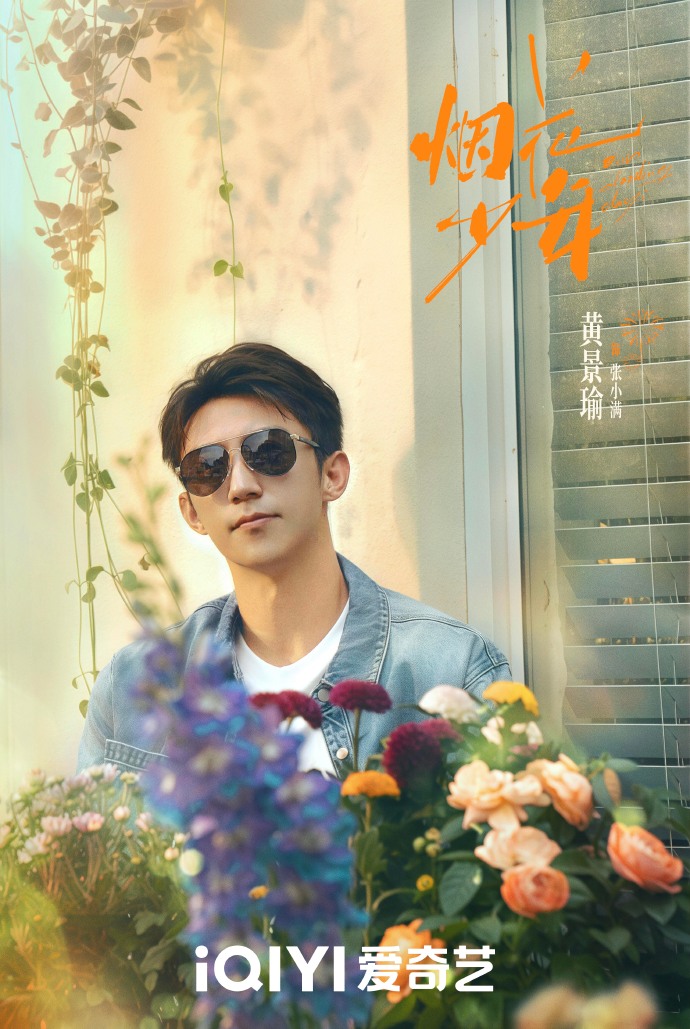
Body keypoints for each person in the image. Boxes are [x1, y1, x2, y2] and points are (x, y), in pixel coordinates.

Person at [78, 343, 510, 775]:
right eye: (208, 467)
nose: (240, 486)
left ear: (332, 475)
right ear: (192, 512)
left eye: (268, 451)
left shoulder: (450, 669)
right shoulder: (133, 688)